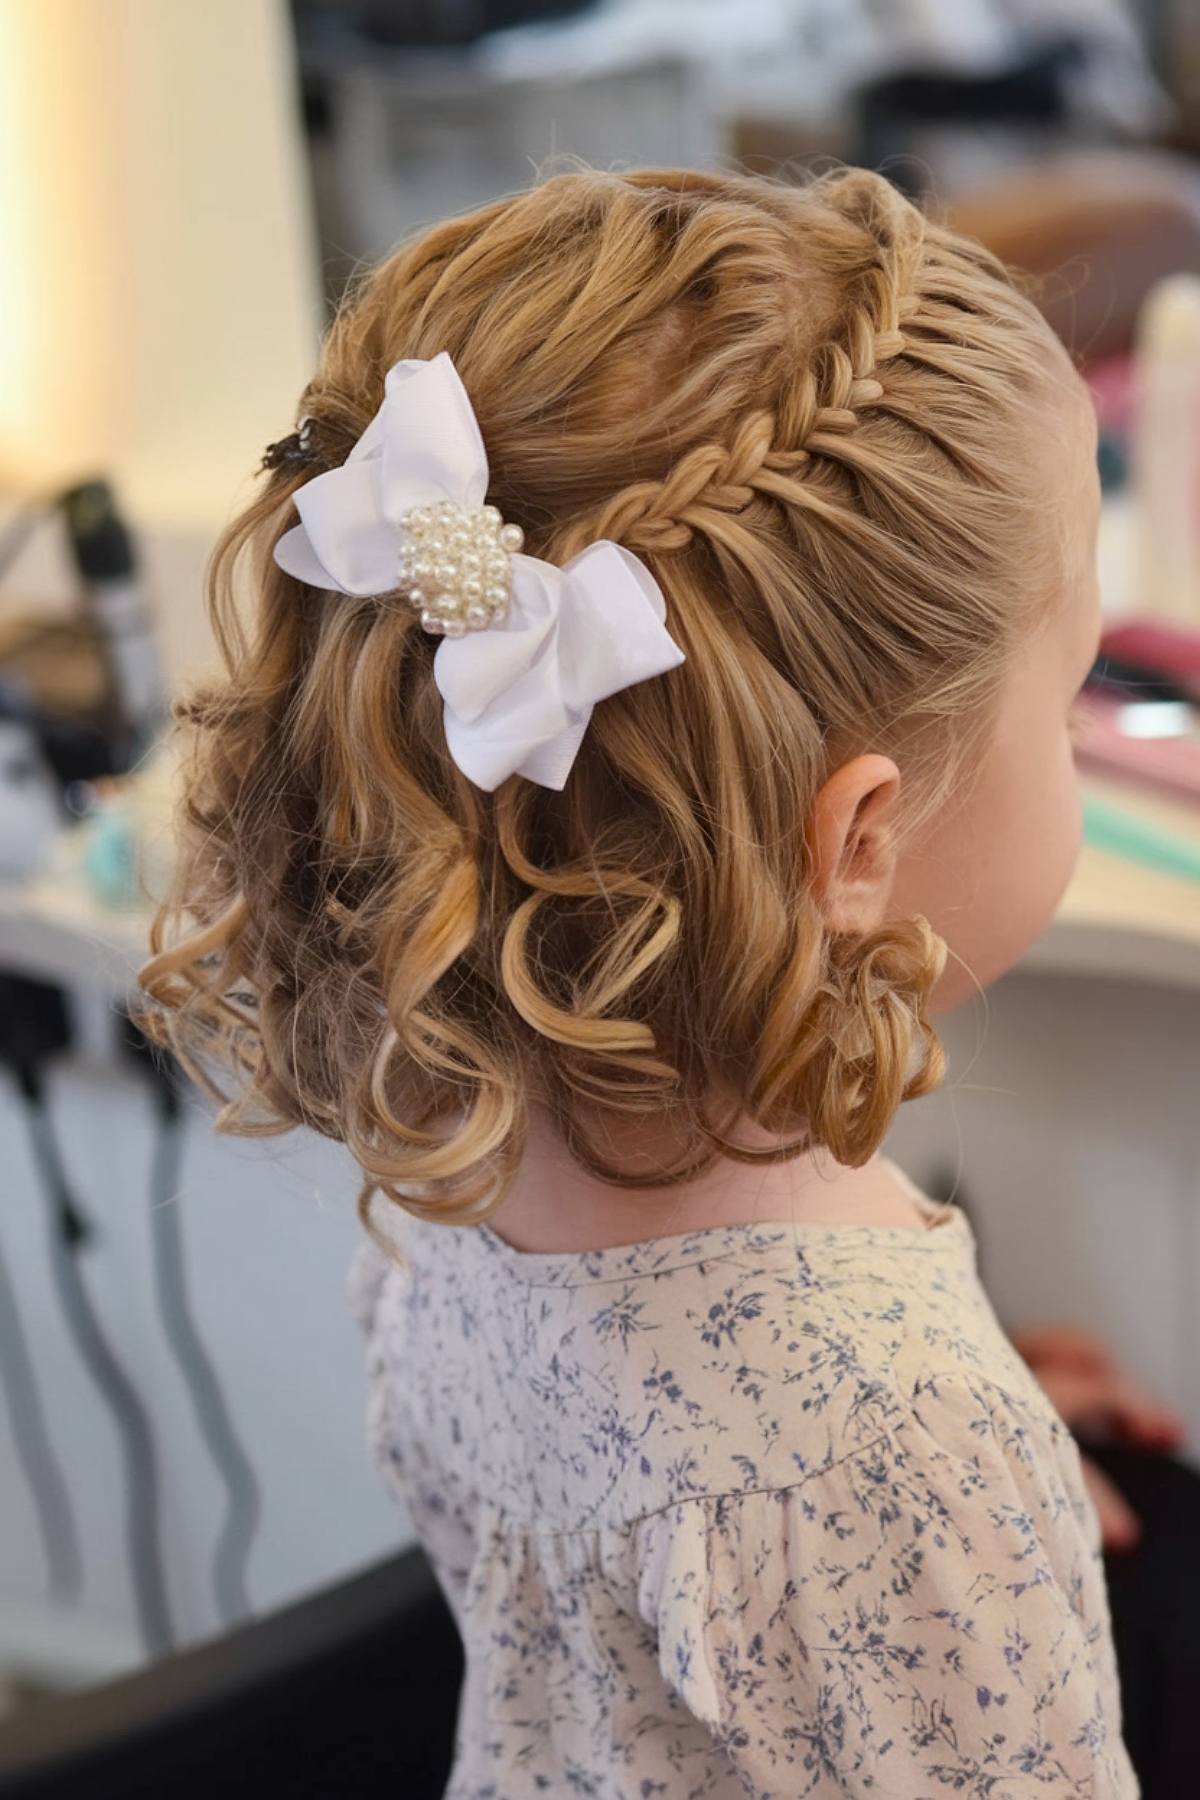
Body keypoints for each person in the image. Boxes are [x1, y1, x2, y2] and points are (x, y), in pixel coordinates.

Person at [141, 164, 1142, 1795]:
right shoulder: (889, 1458)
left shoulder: (453, 1163)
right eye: (1071, 690)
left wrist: (938, 1436)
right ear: (861, 839)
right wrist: (940, 1481)